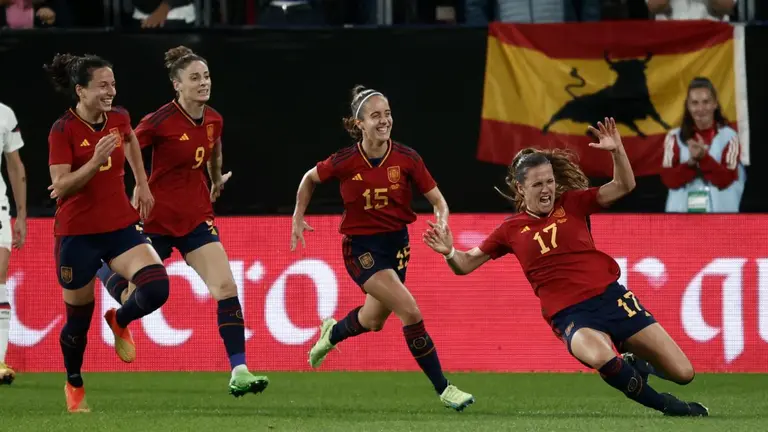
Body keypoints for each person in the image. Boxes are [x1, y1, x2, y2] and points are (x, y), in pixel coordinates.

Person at [422, 118, 708, 417]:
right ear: (521, 188)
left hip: (612, 298)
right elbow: (465, 264)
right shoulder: (510, 230)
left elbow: (624, 185)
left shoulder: (573, 203)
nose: (546, 189)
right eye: (537, 184)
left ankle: (635, 364)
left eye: (549, 181)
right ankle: (667, 405)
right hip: (571, 315)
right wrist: (449, 252)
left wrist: (617, 151)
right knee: (601, 356)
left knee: (684, 372)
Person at [95, 46, 269, 398]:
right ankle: (108, 286)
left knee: (226, 289)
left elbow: (214, 146)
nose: (203, 83)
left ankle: (239, 370)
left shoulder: (214, 118)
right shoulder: (159, 121)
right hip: (154, 217)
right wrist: (137, 186)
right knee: (138, 293)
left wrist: (216, 177)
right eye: (194, 78)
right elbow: (126, 145)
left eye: (205, 76)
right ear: (177, 85)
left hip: (195, 218)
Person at [290, 85, 474, 411]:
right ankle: (444, 389)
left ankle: (332, 334)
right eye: (375, 115)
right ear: (359, 123)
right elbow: (309, 178)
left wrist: (442, 221)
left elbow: (438, 201)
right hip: (361, 247)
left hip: (397, 245)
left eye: (387, 114)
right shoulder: (345, 161)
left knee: (373, 320)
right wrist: (297, 215)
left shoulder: (406, 158)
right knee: (411, 311)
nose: (384, 120)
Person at [45, 53, 171, 413]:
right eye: (102, 85)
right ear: (81, 91)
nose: (110, 91)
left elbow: (130, 140)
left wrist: (142, 183)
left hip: (118, 225)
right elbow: (61, 187)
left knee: (157, 286)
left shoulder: (119, 118)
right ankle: (74, 383)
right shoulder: (62, 130)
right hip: (77, 236)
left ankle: (120, 317)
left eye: (112, 84)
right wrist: (95, 162)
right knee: (77, 326)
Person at [661, 76, 745, 213]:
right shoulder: (673, 137)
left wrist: (703, 158)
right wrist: (691, 163)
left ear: (715, 104)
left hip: (720, 220)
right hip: (682, 221)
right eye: (694, 103)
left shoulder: (730, 137)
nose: (701, 108)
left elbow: (726, 179)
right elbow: (668, 179)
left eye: (706, 102)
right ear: (688, 106)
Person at [0, 102, 27, 385]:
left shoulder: (5, 113)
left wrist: (21, 214)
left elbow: (15, 163)